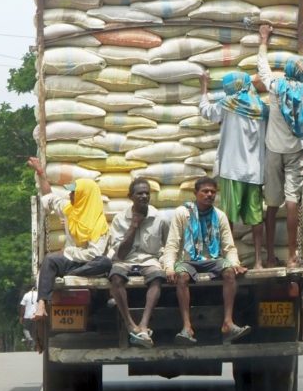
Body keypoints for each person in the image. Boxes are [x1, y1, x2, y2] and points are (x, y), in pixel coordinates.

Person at [162, 177, 250, 345]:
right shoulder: (183, 213)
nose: (209, 195)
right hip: (188, 260)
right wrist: (169, 268)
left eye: (212, 192)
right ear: (196, 194)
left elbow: (228, 246)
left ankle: (228, 323)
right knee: (181, 277)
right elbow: (172, 243)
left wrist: (235, 263)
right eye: (205, 191)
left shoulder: (220, 215)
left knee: (230, 272)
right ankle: (187, 327)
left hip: (212, 259)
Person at [257, 24, 303, 268]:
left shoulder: (274, 86)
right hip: (295, 152)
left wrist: (264, 40)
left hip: (273, 149)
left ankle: (270, 255)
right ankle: (292, 256)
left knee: (271, 203)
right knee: (292, 199)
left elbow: (262, 66)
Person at [27, 157, 112, 320]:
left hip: (88, 264)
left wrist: (68, 252)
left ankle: (71, 273)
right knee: (50, 260)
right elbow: (49, 197)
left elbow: (93, 254)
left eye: (74, 192)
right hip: (72, 261)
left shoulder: (99, 225)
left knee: (105, 262)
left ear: (84, 195)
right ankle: (41, 304)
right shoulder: (70, 210)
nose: (70, 194)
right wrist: (41, 173)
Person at [198, 69, 268, 269]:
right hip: (255, 172)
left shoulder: (228, 104)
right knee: (256, 218)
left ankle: (229, 259)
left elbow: (206, 111)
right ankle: (258, 261)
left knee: (227, 217)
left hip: (232, 170)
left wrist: (204, 85)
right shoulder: (262, 108)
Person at [108, 178, 169, 348]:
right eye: (139, 193)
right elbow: (120, 253)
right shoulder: (120, 219)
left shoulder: (159, 218)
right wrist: (134, 225)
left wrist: (166, 262)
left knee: (157, 277)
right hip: (126, 260)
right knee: (116, 278)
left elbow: (169, 244)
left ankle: (143, 324)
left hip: (149, 259)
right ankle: (129, 323)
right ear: (130, 196)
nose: (144, 196)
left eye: (147, 193)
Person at [19, 285, 38, 350]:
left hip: (28, 316)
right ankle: (35, 342)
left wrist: (21, 317)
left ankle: (29, 339)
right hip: (37, 316)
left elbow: (22, 307)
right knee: (36, 330)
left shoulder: (26, 295)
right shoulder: (39, 294)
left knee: (26, 329)